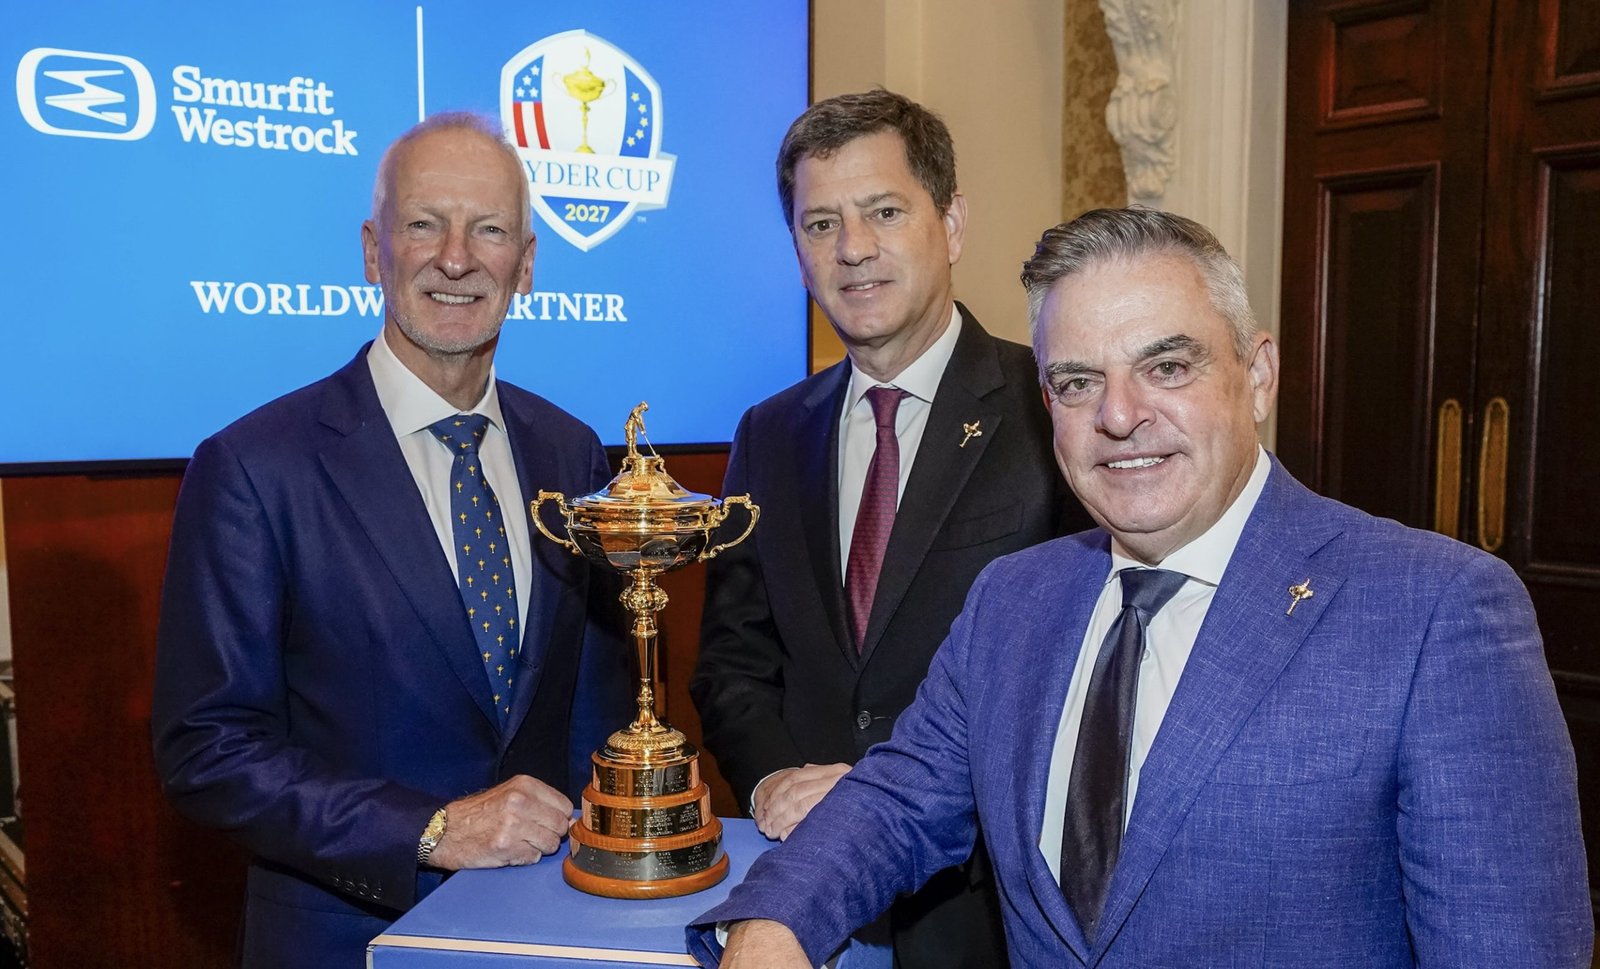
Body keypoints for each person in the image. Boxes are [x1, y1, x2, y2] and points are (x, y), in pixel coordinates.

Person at [688, 207, 1593, 967]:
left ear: (1258, 375)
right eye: (1079, 381)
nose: (1119, 416)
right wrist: (774, 925)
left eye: (1167, 366)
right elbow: (898, 801)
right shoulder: (1013, 600)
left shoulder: (1438, 613)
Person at [151, 113, 631, 968]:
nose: (456, 258)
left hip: (553, 928)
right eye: (423, 224)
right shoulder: (256, 467)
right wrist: (430, 829)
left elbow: (595, 704)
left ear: (526, 265)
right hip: (347, 939)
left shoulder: (572, 452)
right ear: (374, 251)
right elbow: (209, 747)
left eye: (489, 230)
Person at [690, 90, 1090, 968]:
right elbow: (733, 662)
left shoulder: (1054, 410)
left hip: (983, 915)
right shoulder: (768, 432)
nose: (853, 248)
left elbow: (1084, 682)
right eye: (820, 223)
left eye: (883, 212)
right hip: (801, 901)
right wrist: (772, 781)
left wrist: (885, 800)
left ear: (952, 224)